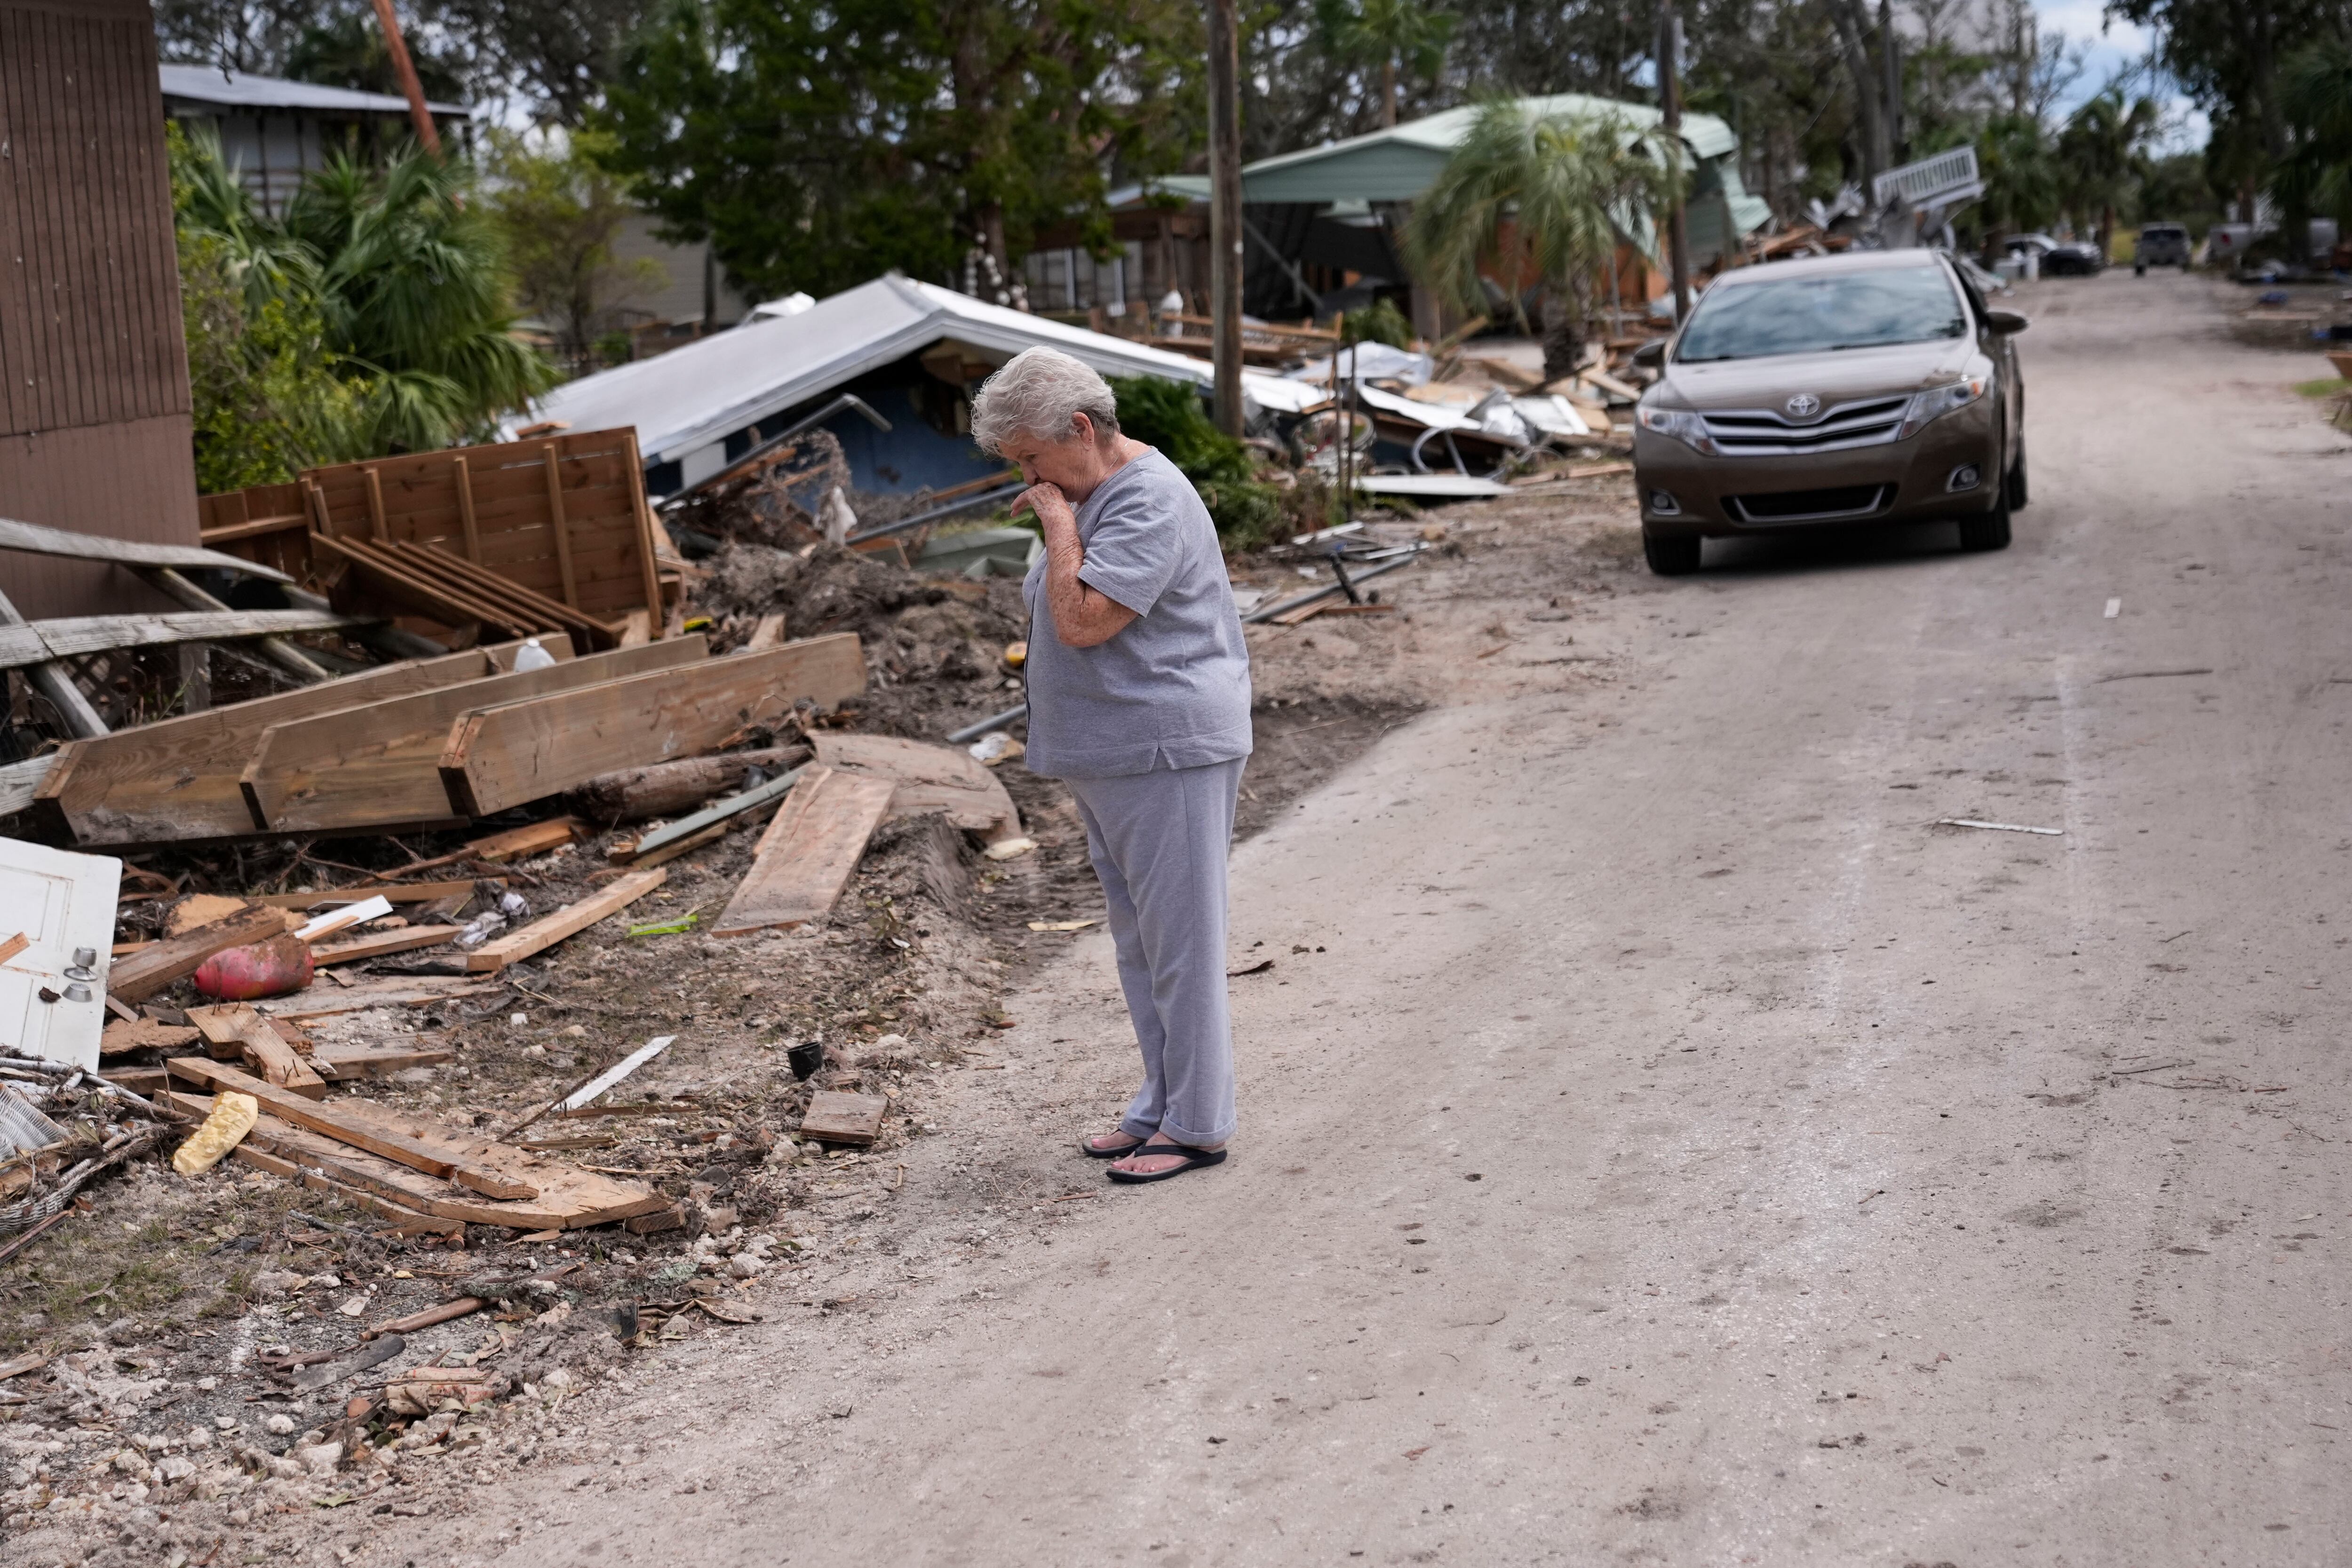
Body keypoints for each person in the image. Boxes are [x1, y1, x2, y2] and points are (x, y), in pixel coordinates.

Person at [967, 348, 1252, 1184]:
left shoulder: (1146, 499)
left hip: (1167, 750)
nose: (1025, 476)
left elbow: (1087, 619)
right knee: (1142, 942)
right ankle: (1162, 1101)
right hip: (1116, 754)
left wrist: (1057, 528)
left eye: (1030, 456)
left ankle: (1200, 1122)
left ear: (1082, 430)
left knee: (1182, 942)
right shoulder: (1092, 492)